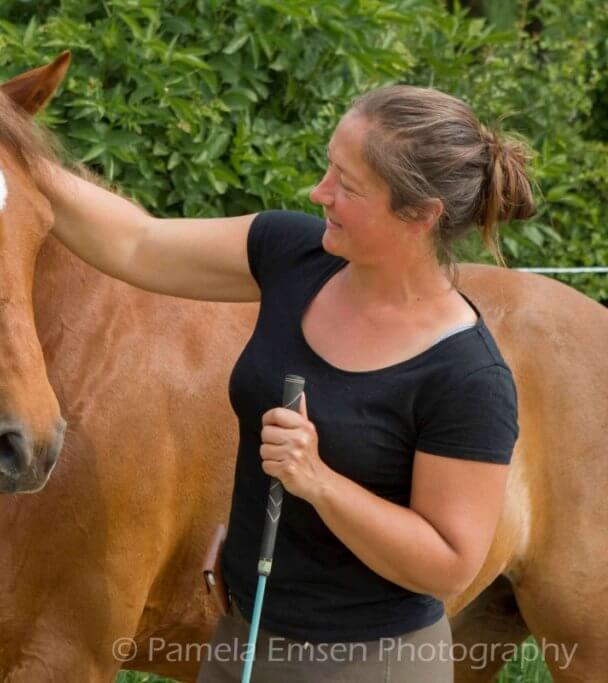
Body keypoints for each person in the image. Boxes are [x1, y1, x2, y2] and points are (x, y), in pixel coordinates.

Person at [42, 84, 532, 681]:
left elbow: (448, 565)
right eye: (330, 166)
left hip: (369, 666)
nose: (319, 192)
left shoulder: (467, 378)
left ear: (422, 215)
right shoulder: (292, 254)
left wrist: (317, 481)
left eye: (347, 186)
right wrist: (6, 151)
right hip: (240, 639)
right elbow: (137, 242)